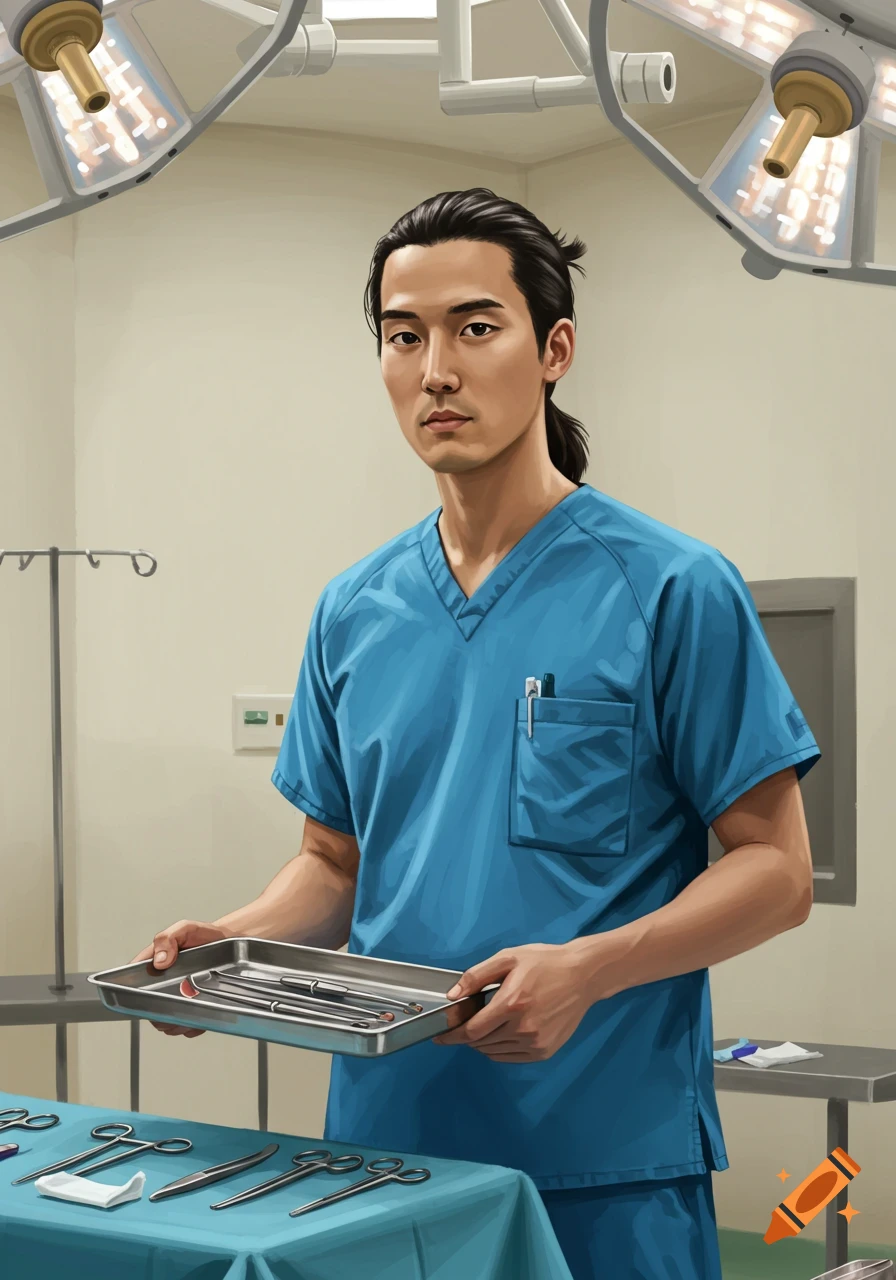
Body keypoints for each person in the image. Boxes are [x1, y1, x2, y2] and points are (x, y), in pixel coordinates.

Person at [133, 188, 819, 1279]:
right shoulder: (353, 608)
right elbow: (332, 865)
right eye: (402, 337)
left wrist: (589, 968)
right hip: (381, 1165)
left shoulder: (670, 588)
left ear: (553, 349)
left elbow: (776, 871)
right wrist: (230, 944)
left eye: (473, 327)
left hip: (602, 1167)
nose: (434, 369)